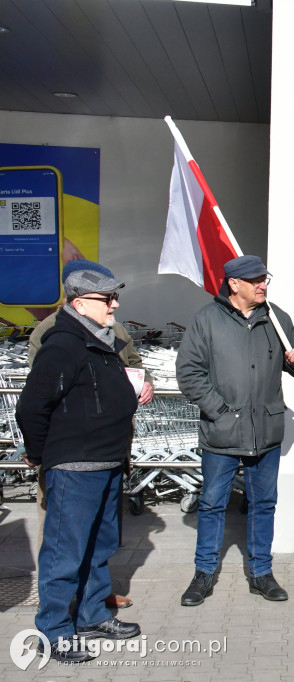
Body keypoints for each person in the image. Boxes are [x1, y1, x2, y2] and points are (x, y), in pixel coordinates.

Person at [16, 260, 142, 663]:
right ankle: (53, 633)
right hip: (74, 467)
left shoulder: (100, 340)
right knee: (64, 553)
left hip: (105, 462)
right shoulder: (62, 344)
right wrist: (43, 456)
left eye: (114, 297)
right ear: (79, 302)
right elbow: (32, 409)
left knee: (99, 545)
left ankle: (91, 614)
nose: (114, 305)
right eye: (106, 298)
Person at [176, 255, 294, 606]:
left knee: (263, 504)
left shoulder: (276, 318)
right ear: (234, 284)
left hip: (264, 430)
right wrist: (218, 411)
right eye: (255, 280)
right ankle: (203, 574)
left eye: (265, 278)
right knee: (211, 504)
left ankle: (261, 573)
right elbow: (189, 373)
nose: (263, 284)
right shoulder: (206, 320)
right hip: (222, 433)